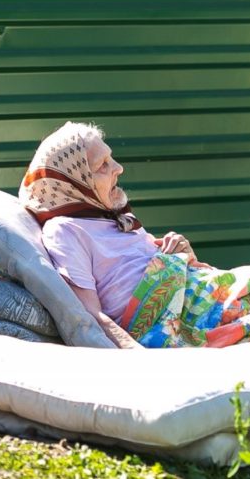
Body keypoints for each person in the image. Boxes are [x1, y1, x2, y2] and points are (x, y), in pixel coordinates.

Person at [19, 121, 196, 349]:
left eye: (110, 158)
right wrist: (136, 355)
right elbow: (88, 314)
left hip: (199, 298)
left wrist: (185, 254)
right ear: (74, 181)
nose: (118, 168)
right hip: (172, 320)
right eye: (102, 165)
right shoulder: (66, 230)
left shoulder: (114, 217)